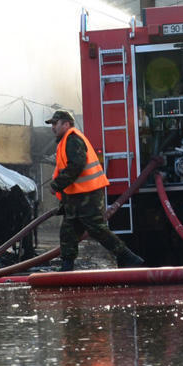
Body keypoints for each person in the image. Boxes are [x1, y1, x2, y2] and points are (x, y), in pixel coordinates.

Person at [47, 110, 144, 271]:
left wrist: (56, 184)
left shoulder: (72, 139)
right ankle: (67, 267)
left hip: (87, 195)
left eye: (55, 123)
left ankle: (128, 257)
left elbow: (76, 165)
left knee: (96, 229)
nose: (52, 127)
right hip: (75, 197)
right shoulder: (66, 141)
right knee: (68, 232)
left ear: (66, 124)